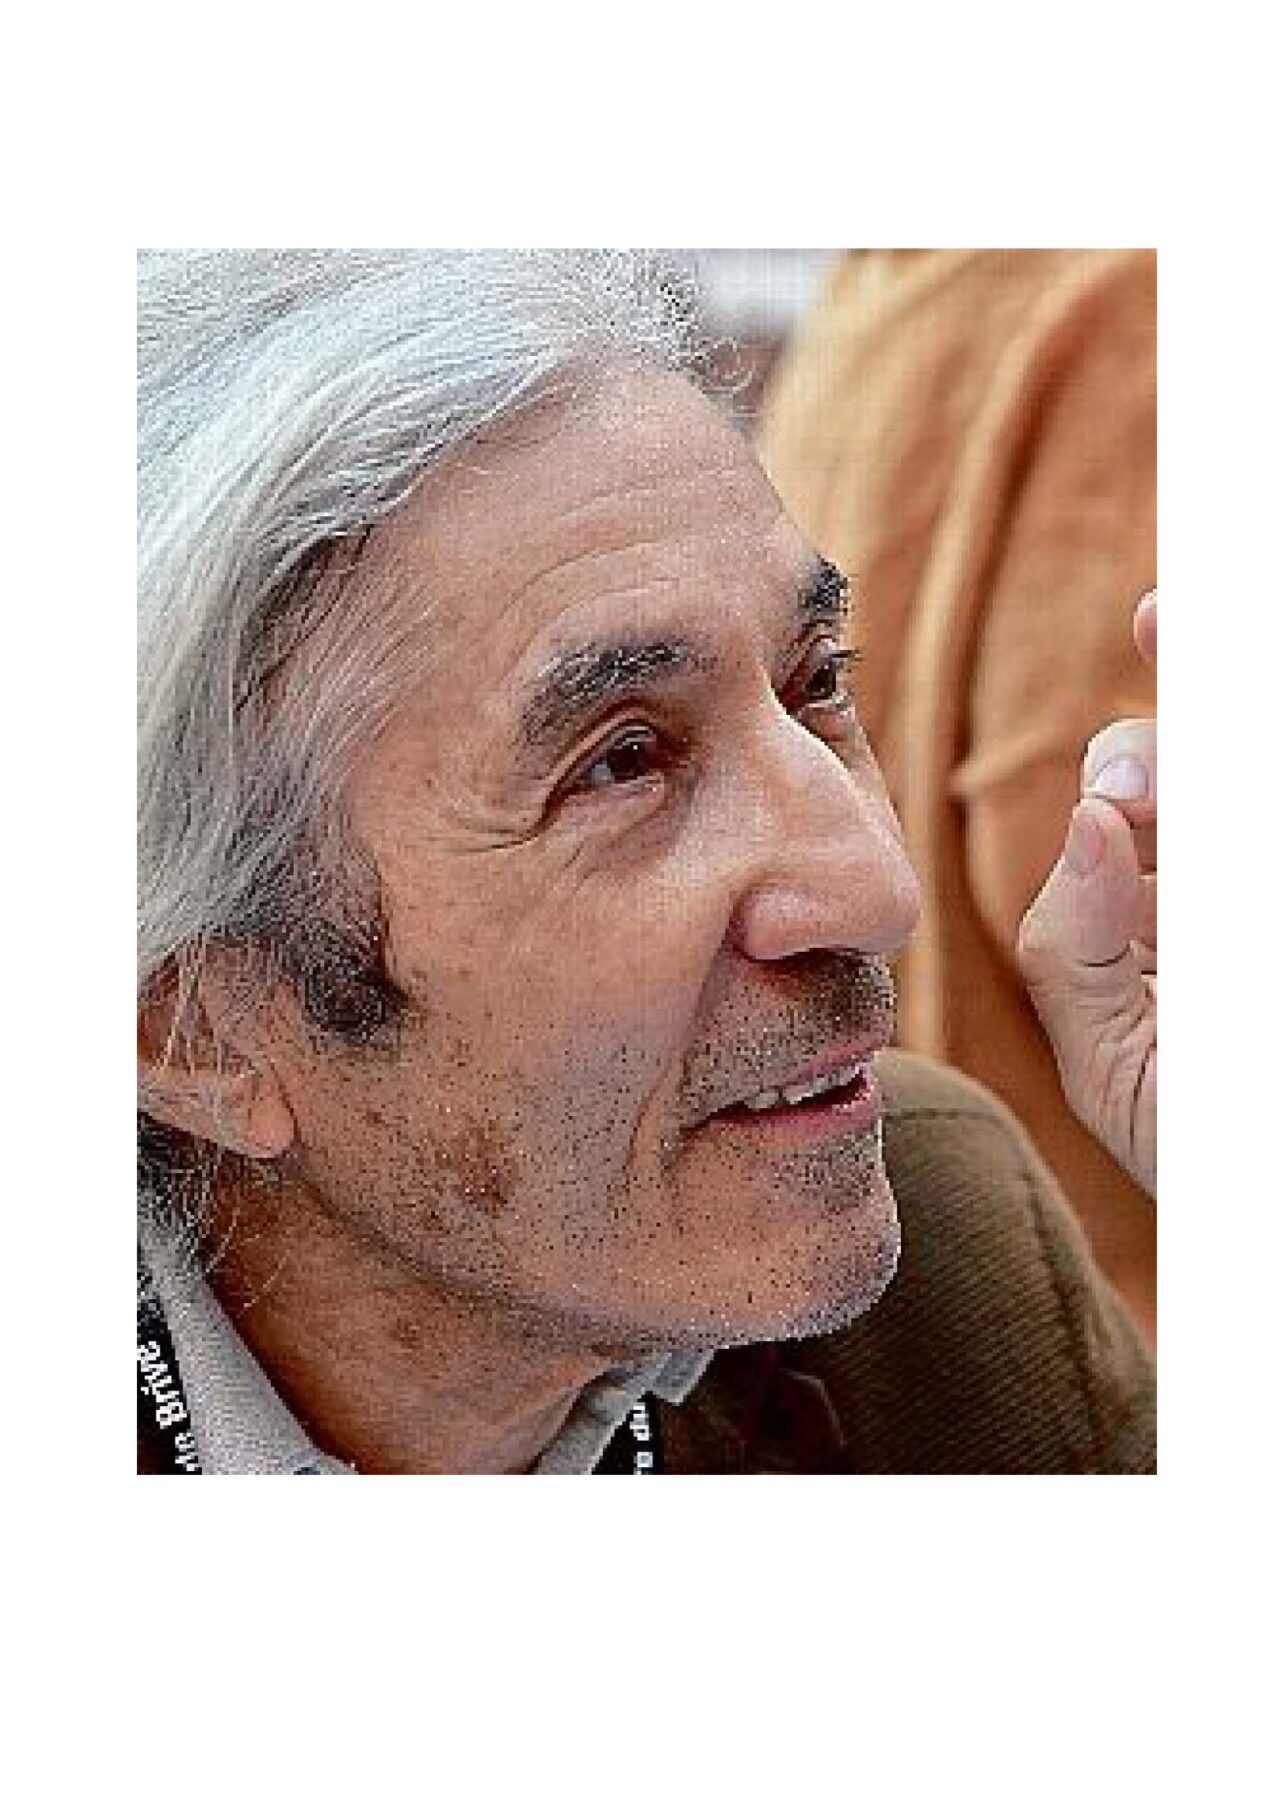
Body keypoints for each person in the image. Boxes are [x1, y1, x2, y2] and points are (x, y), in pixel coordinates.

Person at [137, 251, 1156, 1474]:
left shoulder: (945, 1269)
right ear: (192, 1028)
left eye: (815, 682)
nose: (876, 888)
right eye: (620, 764)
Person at [756, 249, 1157, 1344]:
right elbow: (1072, 833)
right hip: (1103, 1277)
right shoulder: (1136, 296)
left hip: (910, 1230)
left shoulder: (877, 286)